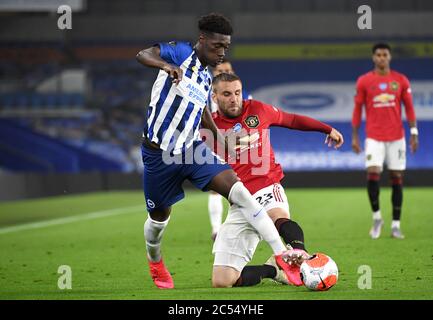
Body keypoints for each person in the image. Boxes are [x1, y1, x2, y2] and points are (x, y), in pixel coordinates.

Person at [135, 13, 308, 290]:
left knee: (240, 193)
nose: (222, 52)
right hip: (159, 155)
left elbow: (202, 110)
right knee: (158, 221)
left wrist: (220, 139)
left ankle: (283, 255)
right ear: (202, 40)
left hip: (192, 150)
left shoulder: (206, 78)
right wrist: (166, 66)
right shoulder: (179, 53)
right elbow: (143, 54)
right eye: (217, 46)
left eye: (225, 47)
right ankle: (155, 260)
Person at [209, 73, 344, 288]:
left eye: (237, 92)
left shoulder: (257, 110)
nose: (234, 98)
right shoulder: (209, 127)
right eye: (227, 94)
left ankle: (300, 254)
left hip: (266, 185)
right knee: (222, 281)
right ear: (214, 97)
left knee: (277, 216)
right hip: (239, 202)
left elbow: (291, 120)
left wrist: (326, 128)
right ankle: (274, 269)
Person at [352, 43, 418, 240]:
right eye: (378, 55)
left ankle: (396, 225)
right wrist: (355, 135)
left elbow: (410, 108)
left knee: (396, 177)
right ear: (374, 57)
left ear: (389, 57)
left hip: (397, 137)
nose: (382, 58)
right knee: (372, 173)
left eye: (385, 54)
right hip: (374, 136)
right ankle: (377, 218)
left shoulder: (400, 81)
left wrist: (414, 133)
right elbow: (357, 109)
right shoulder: (364, 81)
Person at [207, 58, 252, 241]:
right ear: (213, 74)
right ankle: (217, 230)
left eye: (228, 69)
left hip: (236, 143)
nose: (225, 72)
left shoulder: (245, 95)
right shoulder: (206, 95)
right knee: (216, 188)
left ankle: (240, 225)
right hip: (212, 142)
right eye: (220, 70)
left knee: (240, 185)